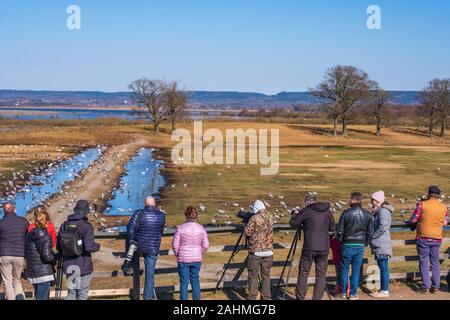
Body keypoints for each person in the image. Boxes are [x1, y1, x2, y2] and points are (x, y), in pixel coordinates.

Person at [289, 194, 335, 300]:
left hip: (309, 247)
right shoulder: (327, 211)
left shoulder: (306, 211)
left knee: (304, 272)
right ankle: (317, 298)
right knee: (321, 274)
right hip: (323, 247)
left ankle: (300, 297)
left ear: (306, 202)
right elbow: (332, 226)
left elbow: (293, 223)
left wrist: (294, 214)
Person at [57, 200, 101, 300]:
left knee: (72, 292)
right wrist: (97, 246)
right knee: (82, 294)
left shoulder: (64, 225)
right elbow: (89, 247)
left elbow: (59, 247)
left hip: (69, 265)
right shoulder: (87, 226)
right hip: (83, 265)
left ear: (75, 210)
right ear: (86, 212)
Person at [410, 186, 448, 294]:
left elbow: (414, 219)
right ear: (438, 195)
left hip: (423, 237)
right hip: (437, 238)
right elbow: (445, 222)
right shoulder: (443, 207)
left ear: (428, 194)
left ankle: (425, 286)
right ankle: (436, 286)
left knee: (424, 261)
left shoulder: (422, 204)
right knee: (435, 262)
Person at [336, 192, 374, 300]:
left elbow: (340, 230)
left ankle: (343, 293)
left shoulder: (346, 213)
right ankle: (353, 294)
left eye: (350, 199)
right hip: (360, 244)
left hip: (347, 244)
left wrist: (341, 241)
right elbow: (370, 231)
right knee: (356, 270)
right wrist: (366, 242)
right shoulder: (367, 214)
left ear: (353, 200)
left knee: (344, 268)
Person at [127, 196, 165, 300]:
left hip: (139, 247)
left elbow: (130, 228)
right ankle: (147, 297)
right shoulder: (161, 215)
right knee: (150, 274)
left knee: (136, 268)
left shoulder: (138, 213)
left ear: (145, 204)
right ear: (154, 204)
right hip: (153, 247)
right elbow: (161, 230)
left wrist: (132, 241)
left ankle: (128, 266)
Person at [172, 206, 209, 300]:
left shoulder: (180, 228)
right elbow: (206, 245)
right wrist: (198, 252)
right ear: (196, 216)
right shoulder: (201, 228)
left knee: (184, 282)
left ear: (186, 215)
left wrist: (178, 253)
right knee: (195, 280)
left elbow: (175, 244)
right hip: (196, 259)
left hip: (183, 259)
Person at [244, 200, 274, 300]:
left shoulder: (254, 218)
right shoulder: (270, 217)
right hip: (269, 251)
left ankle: (252, 296)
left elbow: (248, 232)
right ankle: (266, 297)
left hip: (256, 251)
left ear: (255, 209)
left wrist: (245, 226)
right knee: (266, 275)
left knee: (253, 275)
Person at [0, 203, 29, 300]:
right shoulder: (24, 222)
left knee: (7, 282)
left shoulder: (1, 223)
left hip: (5, 254)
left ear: (4, 211)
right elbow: (27, 238)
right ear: (15, 210)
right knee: (17, 280)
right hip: (19, 254)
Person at [25, 211, 56, 300]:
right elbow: (47, 256)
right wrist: (55, 258)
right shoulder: (45, 236)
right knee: (42, 297)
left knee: (39, 296)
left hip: (33, 271)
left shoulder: (29, 235)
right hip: (44, 272)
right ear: (46, 222)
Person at [368, 191, 393, 298]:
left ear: (378, 201)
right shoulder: (379, 211)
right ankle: (383, 289)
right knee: (382, 267)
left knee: (383, 267)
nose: (371, 202)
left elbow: (383, 227)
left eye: (373, 200)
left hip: (382, 245)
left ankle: (384, 291)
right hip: (380, 244)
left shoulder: (383, 212)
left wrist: (372, 236)